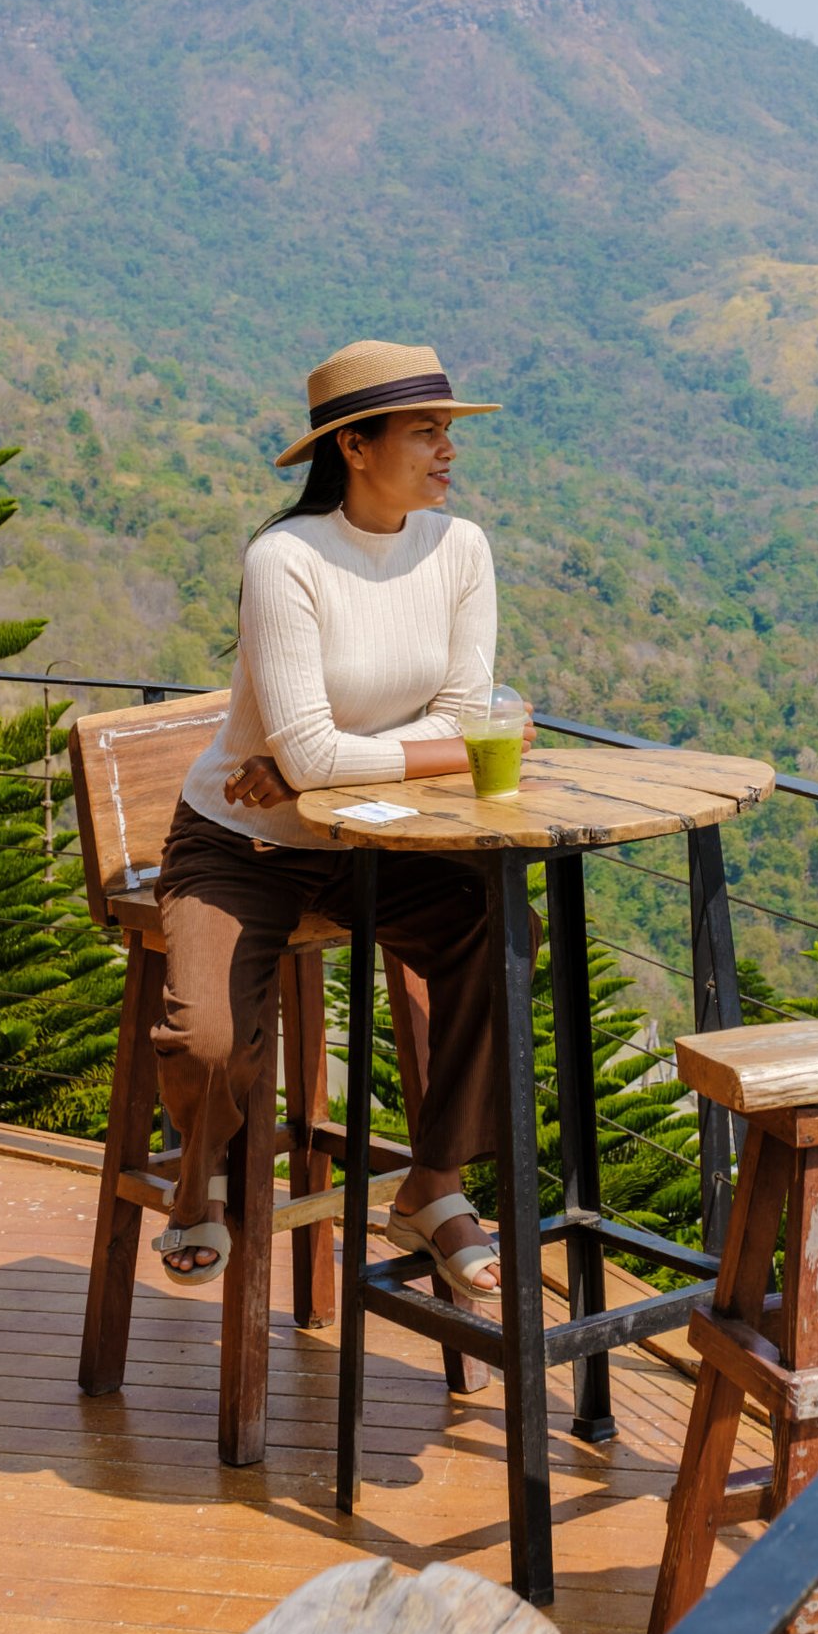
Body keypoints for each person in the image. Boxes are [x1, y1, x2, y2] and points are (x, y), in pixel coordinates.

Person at [150, 338, 529, 1301]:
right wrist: (316, 763)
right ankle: (204, 1173)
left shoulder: (462, 549)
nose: (449, 451)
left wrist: (319, 766)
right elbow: (366, 744)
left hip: (380, 839)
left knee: (503, 933)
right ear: (353, 447)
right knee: (202, 1043)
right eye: (426, 432)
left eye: (449, 431)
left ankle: (434, 1184)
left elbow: (453, 717)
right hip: (242, 844)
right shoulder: (286, 559)